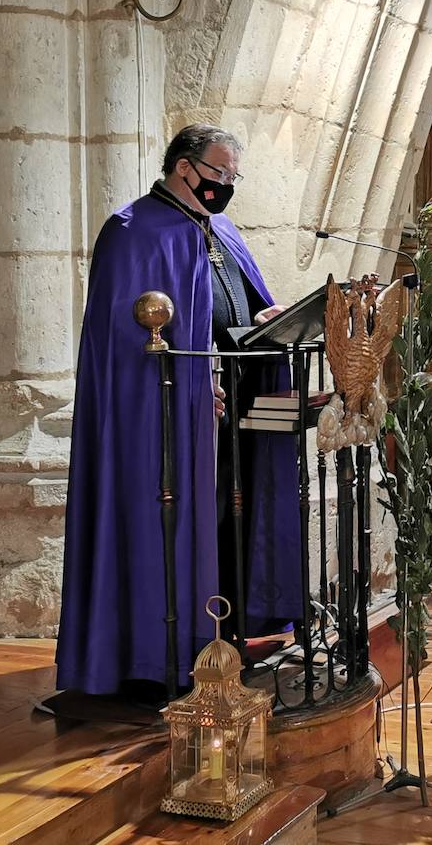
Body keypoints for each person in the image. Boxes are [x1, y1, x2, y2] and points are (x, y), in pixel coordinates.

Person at [56, 124, 301, 698]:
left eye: (232, 177)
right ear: (184, 166)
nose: (225, 186)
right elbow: (123, 348)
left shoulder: (221, 230)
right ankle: (162, 650)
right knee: (176, 531)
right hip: (160, 425)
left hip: (229, 409)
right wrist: (190, 388)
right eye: (219, 174)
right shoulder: (132, 231)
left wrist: (262, 323)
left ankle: (225, 634)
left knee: (226, 524)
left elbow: (225, 316)